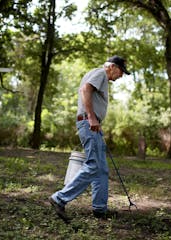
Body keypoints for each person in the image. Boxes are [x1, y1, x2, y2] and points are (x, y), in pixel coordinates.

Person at [49, 56, 131, 222]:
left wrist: (95, 121)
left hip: (92, 123)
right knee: (94, 165)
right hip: (89, 122)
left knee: (102, 168)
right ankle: (59, 198)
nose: (121, 75)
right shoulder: (100, 73)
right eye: (121, 71)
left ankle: (100, 209)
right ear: (112, 67)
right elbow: (85, 90)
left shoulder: (100, 76)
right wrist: (92, 118)